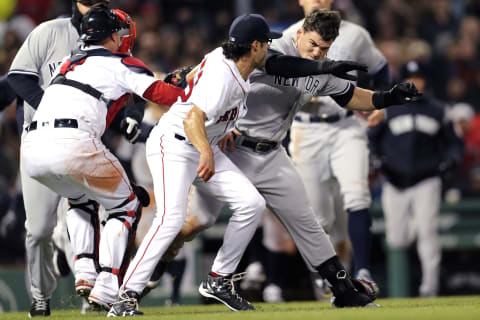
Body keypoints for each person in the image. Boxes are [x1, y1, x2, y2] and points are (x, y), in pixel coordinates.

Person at [147, 9, 420, 312]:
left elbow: (350, 96)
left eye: (326, 48)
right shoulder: (270, 51)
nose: (318, 52)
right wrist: (324, 64)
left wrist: (389, 97)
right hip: (233, 147)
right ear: (300, 33)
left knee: (307, 223)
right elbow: (282, 66)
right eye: (314, 44)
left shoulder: (319, 67)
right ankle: (159, 258)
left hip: (272, 153)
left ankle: (342, 289)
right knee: (198, 221)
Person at [20, 5, 184, 314]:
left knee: (80, 197)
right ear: (112, 35)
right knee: (128, 204)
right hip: (72, 143)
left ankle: (84, 270)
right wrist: (187, 86)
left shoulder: (69, 63)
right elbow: (161, 94)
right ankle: (108, 286)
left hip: (33, 147)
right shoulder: (118, 61)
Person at [7, 1, 113, 317]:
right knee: (38, 230)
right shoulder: (49, 32)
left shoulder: (111, 35)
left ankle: (97, 293)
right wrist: (52, 104)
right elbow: (18, 78)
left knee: (105, 213)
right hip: (40, 138)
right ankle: (41, 295)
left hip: (83, 141)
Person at [288, 0, 391, 285]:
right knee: (319, 217)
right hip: (305, 130)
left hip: (347, 125)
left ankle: (364, 272)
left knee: (357, 196)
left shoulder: (355, 34)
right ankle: (330, 274)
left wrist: (380, 105)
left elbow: (381, 71)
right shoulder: (289, 36)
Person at [368, 60, 464, 297]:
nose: (415, 82)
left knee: (428, 232)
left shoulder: (439, 110)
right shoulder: (388, 107)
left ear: (426, 80)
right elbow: (371, 138)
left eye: (419, 78)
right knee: (397, 239)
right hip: (394, 180)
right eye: (411, 78)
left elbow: (454, 143)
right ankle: (415, 226)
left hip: (427, 179)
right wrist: (377, 159)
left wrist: (450, 160)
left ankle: (429, 286)